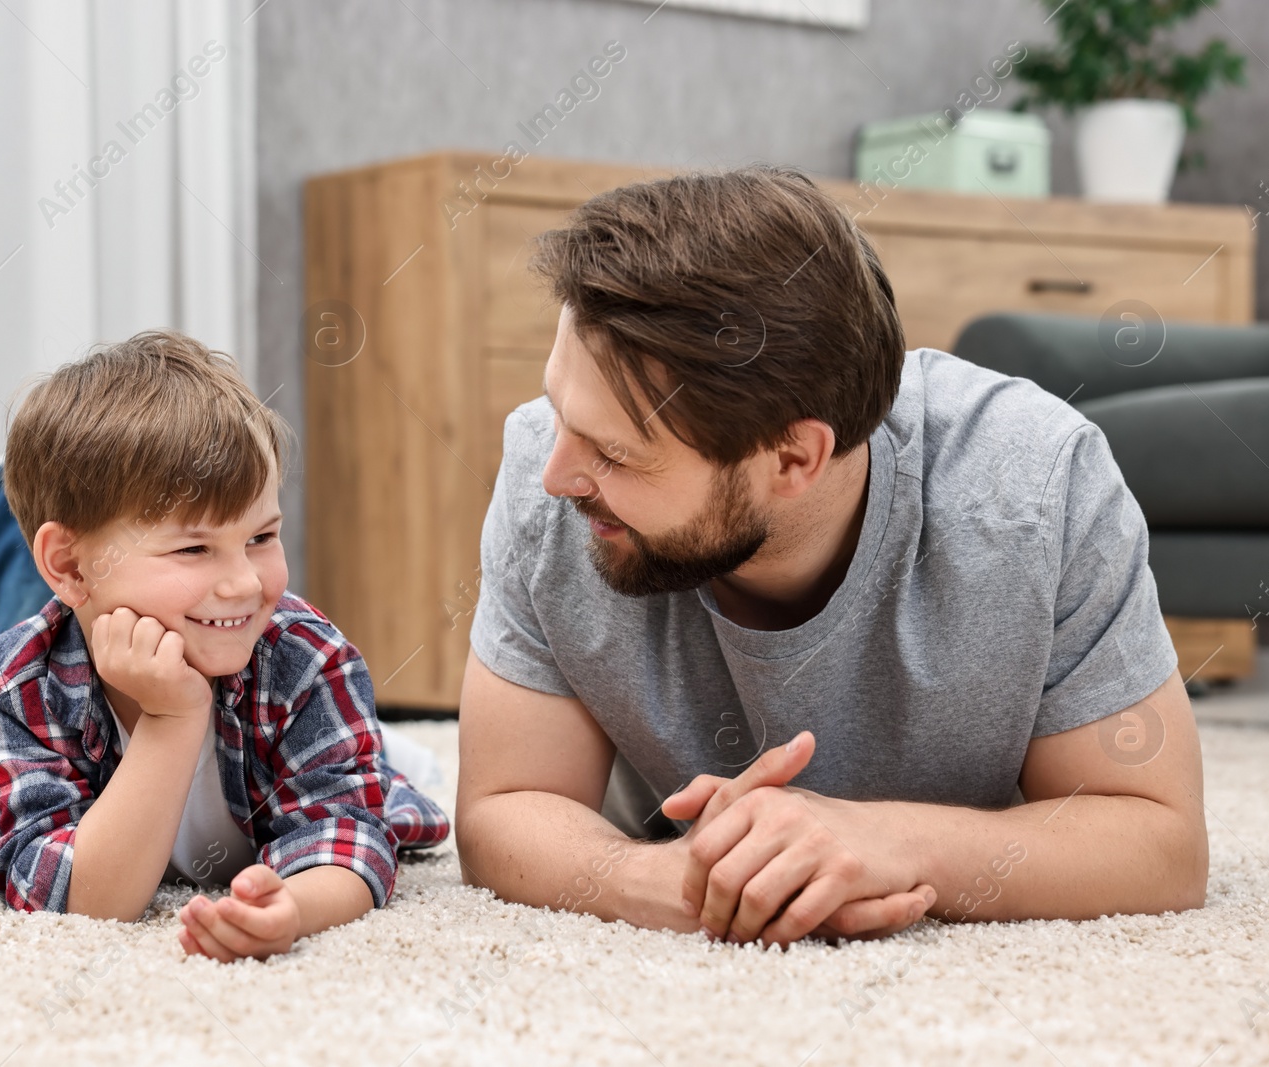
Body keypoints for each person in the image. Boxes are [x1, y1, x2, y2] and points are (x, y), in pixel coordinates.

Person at [457, 164, 1208, 945]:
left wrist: (892, 842)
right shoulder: (552, 475)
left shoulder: (1037, 486)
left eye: (616, 453)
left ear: (792, 460)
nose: (556, 475)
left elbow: (1160, 842)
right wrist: (664, 877)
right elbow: (501, 806)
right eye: (559, 409)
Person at [0, 330, 448, 962]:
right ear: (66, 560)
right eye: (194, 547)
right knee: (31, 607)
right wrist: (173, 719)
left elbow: (346, 840)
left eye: (262, 535)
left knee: (381, 767)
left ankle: (380, 745)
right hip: (75, 613)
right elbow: (75, 900)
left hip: (273, 705)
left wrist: (297, 908)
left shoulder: (306, 658)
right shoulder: (10, 688)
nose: (245, 582)